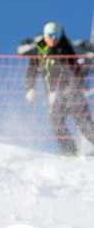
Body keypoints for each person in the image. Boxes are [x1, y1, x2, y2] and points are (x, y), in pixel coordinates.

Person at [21, 21, 94, 155]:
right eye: (50, 35)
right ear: (45, 35)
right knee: (56, 119)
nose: (54, 38)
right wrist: (30, 88)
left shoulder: (65, 49)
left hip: (72, 94)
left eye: (57, 35)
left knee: (85, 124)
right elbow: (32, 70)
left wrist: (69, 90)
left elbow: (74, 72)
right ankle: (69, 153)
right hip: (56, 97)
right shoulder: (41, 49)